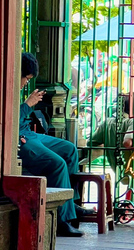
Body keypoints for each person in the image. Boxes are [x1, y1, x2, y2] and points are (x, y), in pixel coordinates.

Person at [18, 53, 94, 237]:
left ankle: (70, 201)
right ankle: (61, 221)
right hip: (18, 137)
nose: (26, 83)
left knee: (69, 149)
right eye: (26, 78)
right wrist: (28, 104)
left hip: (28, 132)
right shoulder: (6, 84)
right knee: (56, 163)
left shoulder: (16, 87)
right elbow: (10, 118)